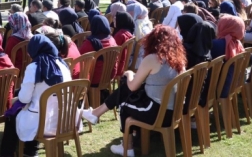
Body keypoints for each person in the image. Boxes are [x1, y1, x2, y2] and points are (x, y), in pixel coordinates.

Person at [80, 26, 186, 157]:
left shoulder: (153, 59)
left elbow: (133, 86)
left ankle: (127, 147)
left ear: (153, 40)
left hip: (157, 113)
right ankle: (96, 114)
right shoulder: (179, 61)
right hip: (174, 111)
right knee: (127, 92)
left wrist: (129, 74)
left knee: (124, 104)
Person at [0, 35, 72, 157]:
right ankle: (30, 150)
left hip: (41, 121)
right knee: (34, 108)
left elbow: (24, 98)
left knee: (12, 115)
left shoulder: (34, 67)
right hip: (63, 119)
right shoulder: (63, 64)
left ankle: (10, 154)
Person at [211, 15, 245, 99]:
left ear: (225, 27)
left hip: (218, 88)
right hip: (233, 84)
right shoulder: (238, 44)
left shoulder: (217, 44)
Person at [79, 15, 118, 87]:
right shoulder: (112, 40)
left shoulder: (90, 42)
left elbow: (79, 59)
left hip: (93, 79)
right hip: (109, 75)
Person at [112, 12, 135, 78]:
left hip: (117, 66)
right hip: (124, 64)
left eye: (116, 18)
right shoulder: (128, 32)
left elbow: (113, 52)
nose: (114, 20)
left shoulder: (120, 35)